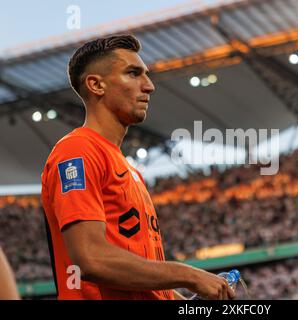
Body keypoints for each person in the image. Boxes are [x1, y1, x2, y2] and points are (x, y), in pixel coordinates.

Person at [41, 34, 235, 300]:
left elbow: (147, 288)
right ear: (96, 84)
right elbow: (90, 258)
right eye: (133, 73)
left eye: (146, 74)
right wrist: (190, 275)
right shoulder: (77, 150)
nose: (149, 86)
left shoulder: (130, 171)